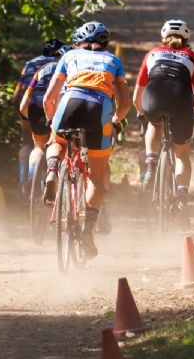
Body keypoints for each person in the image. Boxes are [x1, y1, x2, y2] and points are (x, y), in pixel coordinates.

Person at [42, 21, 130, 258]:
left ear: (79, 41)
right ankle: (88, 232)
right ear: (105, 43)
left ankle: (52, 170)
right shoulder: (114, 61)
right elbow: (125, 103)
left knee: (57, 143)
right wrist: (114, 121)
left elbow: (49, 98)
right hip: (99, 109)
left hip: (69, 102)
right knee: (97, 177)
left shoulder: (69, 56)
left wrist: (52, 122)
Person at [134, 19, 194, 221]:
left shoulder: (152, 54)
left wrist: (141, 113)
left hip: (153, 99)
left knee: (153, 123)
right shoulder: (191, 56)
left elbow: (136, 96)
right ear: (186, 38)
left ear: (163, 37)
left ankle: (150, 164)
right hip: (181, 102)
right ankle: (182, 197)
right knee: (182, 155)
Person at [13, 39, 65, 195]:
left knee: (33, 146)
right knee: (60, 145)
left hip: (32, 106)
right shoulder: (67, 66)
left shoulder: (31, 65)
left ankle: (27, 182)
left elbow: (17, 94)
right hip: (58, 107)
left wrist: (24, 117)